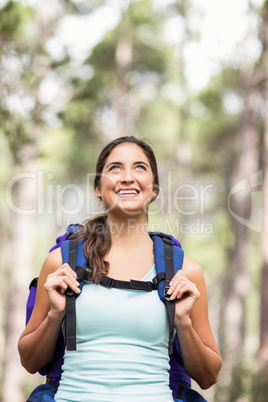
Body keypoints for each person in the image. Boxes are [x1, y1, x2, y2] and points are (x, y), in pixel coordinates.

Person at [18, 136, 222, 402]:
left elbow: (208, 377)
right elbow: (30, 361)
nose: (127, 177)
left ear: (154, 189)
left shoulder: (184, 271)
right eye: (115, 168)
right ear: (98, 189)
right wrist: (55, 314)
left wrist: (183, 323)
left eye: (139, 167)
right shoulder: (62, 261)